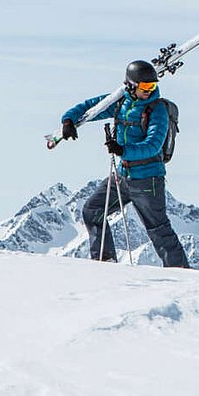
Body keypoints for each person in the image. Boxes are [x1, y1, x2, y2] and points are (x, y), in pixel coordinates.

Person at [60, 60, 189, 268]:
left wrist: (123, 150)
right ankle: (106, 262)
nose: (149, 91)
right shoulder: (121, 103)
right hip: (122, 175)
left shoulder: (157, 110)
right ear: (130, 85)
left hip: (148, 179)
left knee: (158, 230)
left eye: (153, 86)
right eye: (145, 87)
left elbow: (153, 145)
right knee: (92, 211)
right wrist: (68, 120)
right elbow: (92, 106)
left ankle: (182, 273)